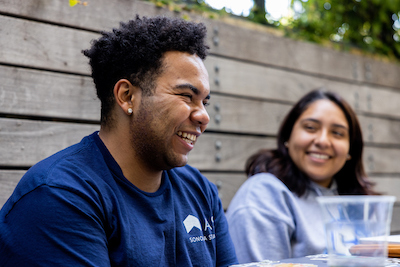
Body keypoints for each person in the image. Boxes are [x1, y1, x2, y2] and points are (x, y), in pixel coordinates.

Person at [0, 15, 238, 267]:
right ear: (127, 96)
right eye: (186, 96)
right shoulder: (60, 195)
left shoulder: (201, 192)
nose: (204, 116)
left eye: (205, 101)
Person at [225, 89, 376, 264]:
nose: (322, 141)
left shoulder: (355, 202)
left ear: (351, 149)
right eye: (310, 128)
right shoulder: (265, 195)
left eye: (337, 133)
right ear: (288, 136)